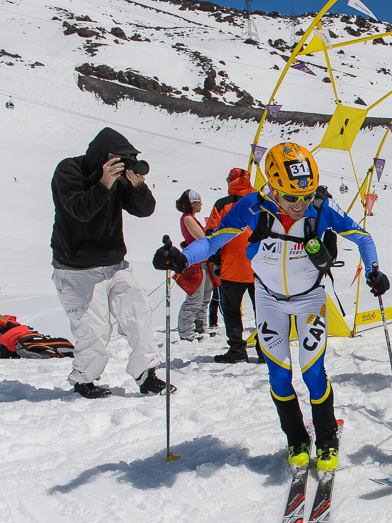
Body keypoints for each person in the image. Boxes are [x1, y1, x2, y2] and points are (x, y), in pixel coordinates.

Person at [153, 142, 390, 473]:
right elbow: (211, 242)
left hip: (310, 298)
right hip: (268, 300)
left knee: (313, 373)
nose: (300, 204)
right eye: (292, 197)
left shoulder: (321, 207)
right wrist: (181, 258)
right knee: (279, 375)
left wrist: (373, 269)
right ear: (273, 190)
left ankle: (326, 438)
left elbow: (362, 238)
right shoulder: (253, 207)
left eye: (306, 195)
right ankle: (295, 437)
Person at [50, 127, 169, 399]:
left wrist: (137, 186)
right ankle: (84, 380)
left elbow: (144, 210)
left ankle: (145, 373)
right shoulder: (69, 170)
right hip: (76, 269)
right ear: (103, 157)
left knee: (138, 313)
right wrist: (103, 183)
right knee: (94, 330)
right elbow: (81, 210)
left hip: (114, 265)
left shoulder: (118, 180)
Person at [205, 168, 262, 363]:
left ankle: (237, 349)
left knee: (231, 310)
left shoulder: (222, 204)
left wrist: (214, 262)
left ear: (230, 181)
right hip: (261, 266)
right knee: (264, 310)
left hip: (231, 266)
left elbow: (212, 235)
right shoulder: (261, 200)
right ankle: (266, 351)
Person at [175, 189, 217, 341]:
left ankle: (200, 328)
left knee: (205, 298)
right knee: (195, 299)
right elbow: (202, 237)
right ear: (192, 204)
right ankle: (186, 332)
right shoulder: (188, 219)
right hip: (196, 263)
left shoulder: (191, 218)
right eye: (199, 202)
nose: (201, 204)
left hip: (203, 263)